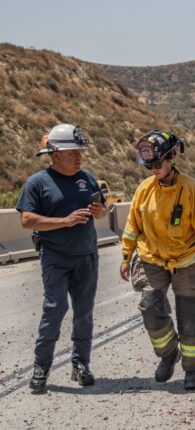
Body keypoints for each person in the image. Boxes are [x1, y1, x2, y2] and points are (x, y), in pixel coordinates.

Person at [119, 130, 195, 390]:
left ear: (171, 157)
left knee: (188, 316)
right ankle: (168, 353)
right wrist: (125, 255)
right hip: (152, 257)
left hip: (187, 259)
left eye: (157, 163)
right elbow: (133, 226)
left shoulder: (192, 189)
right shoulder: (144, 190)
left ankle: (192, 370)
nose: (153, 169)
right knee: (150, 306)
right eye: (149, 165)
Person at [16, 124, 107, 394]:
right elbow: (26, 219)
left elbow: (103, 212)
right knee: (54, 309)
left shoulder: (88, 178)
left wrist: (101, 211)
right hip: (55, 257)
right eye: (72, 152)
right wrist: (64, 221)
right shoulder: (37, 182)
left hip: (87, 256)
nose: (79, 156)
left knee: (84, 313)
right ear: (55, 155)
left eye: (80, 151)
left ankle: (80, 365)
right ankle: (41, 368)